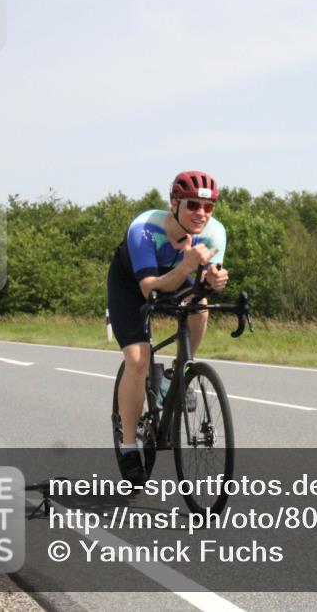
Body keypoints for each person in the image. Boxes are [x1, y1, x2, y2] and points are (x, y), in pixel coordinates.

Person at [107, 170, 229, 485]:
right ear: (174, 203)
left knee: (199, 305)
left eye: (208, 207)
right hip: (133, 284)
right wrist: (188, 266)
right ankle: (129, 446)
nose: (201, 213)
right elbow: (150, 290)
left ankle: (178, 375)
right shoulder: (144, 229)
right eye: (192, 205)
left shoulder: (215, 233)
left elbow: (205, 278)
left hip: (174, 275)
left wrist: (213, 281)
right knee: (138, 359)